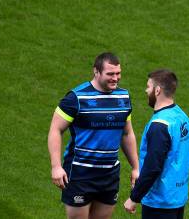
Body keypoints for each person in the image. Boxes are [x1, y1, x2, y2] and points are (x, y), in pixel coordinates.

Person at [48, 52, 139, 219]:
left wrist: (135, 167)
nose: (115, 78)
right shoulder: (76, 98)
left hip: (109, 175)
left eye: (118, 73)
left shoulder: (123, 97)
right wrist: (56, 166)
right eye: (110, 74)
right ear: (96, 72)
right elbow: (55, 129)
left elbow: (127, 134)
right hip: (79, 175)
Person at [124, 69, 189, 219]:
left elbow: (153, 167)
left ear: (157, 90)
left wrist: (134, 198)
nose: (145, 90)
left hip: (159, 203)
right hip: (177, 198)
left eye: (148, 87)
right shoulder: (182, 117)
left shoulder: (159, 125)